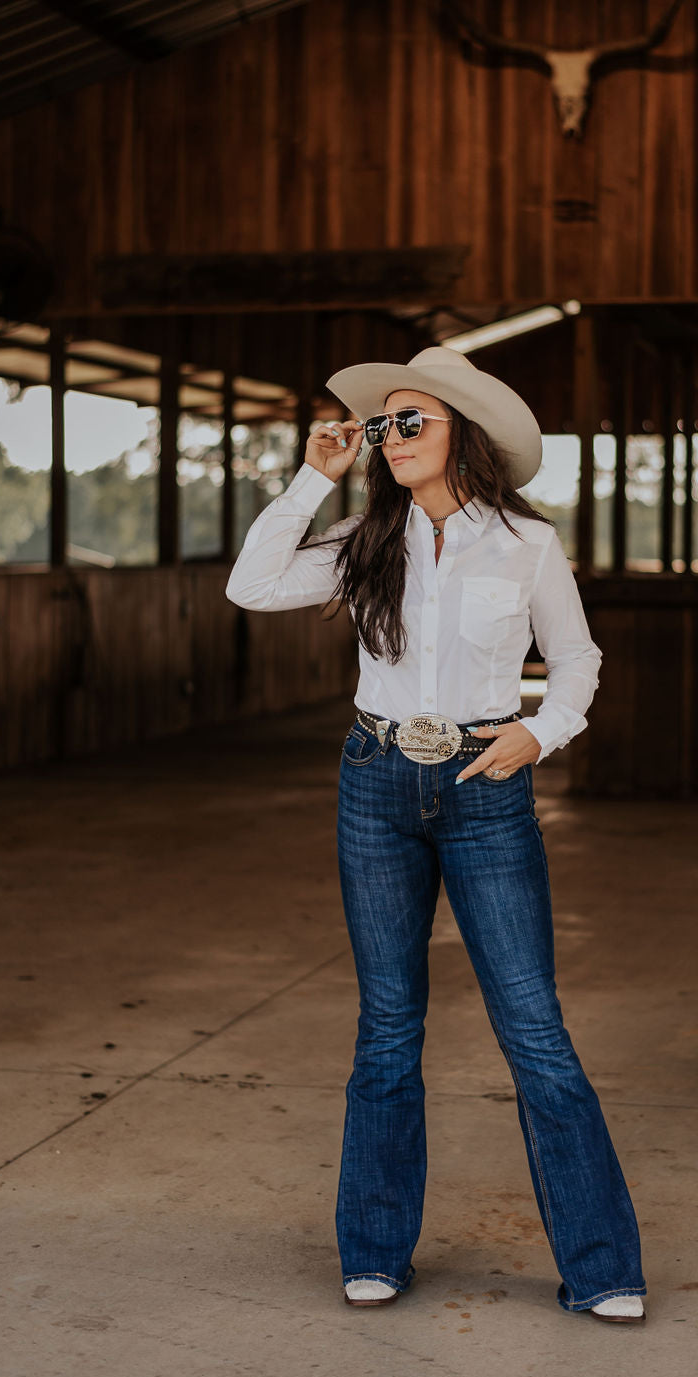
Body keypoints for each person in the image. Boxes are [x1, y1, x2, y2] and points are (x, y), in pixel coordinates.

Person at [225, 346, 646, 1323]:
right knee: (386, 1025)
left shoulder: (525, 543)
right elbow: (251, 584)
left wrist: (540, 733)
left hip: (482, 786)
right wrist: (311, 476)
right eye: (381, 425)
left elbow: (576, 656)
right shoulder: (363, 537)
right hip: (374, 781)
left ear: (465, 433)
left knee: (533, 1029)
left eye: (410, 419)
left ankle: (602, 1268)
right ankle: (373, 1250)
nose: (390, 436)